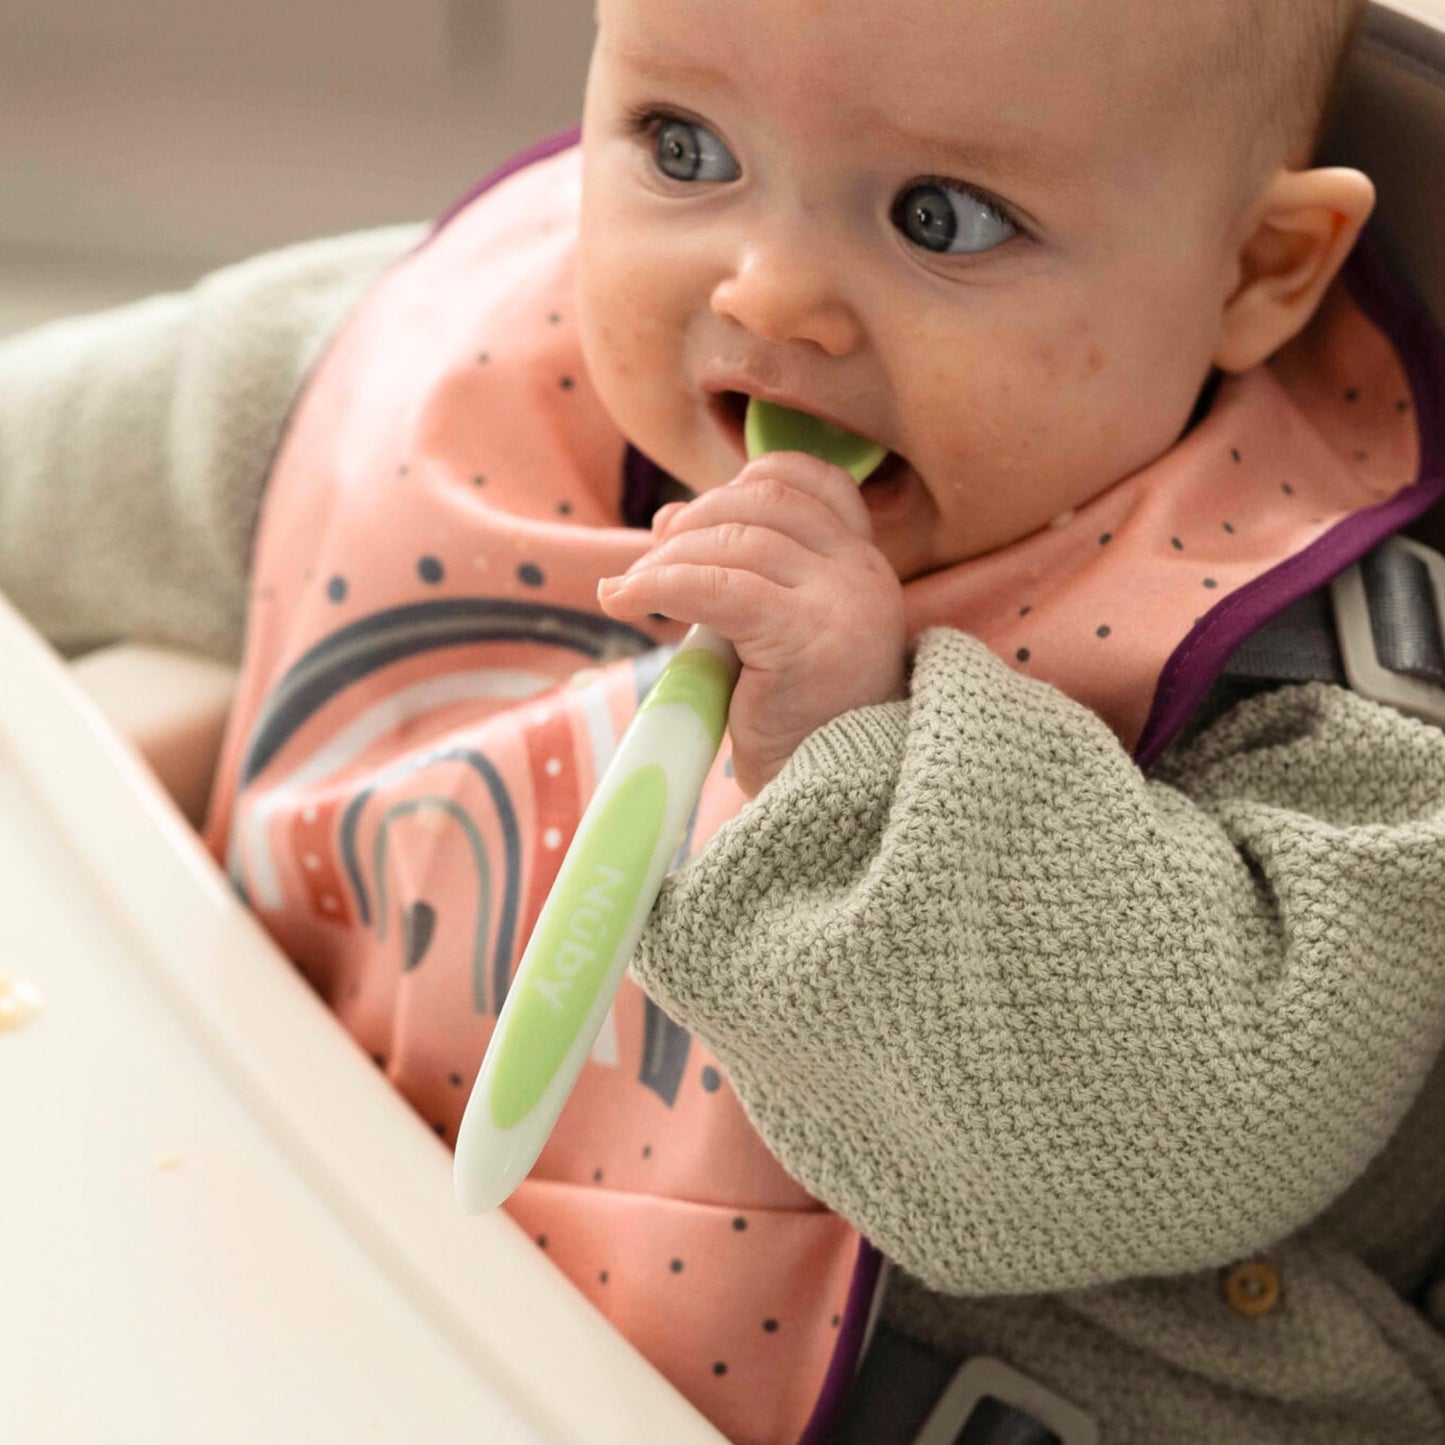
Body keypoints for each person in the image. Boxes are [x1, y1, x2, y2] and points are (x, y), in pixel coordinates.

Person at [5, 0, 1445, 1440]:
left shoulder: (1318, 676)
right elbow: (47, 458)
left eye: (939, 218)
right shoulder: (446, 376)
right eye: (682, 147)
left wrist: (851, 754)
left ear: (1258, 269)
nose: (765, 293)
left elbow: (1167, 1144)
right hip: (263, 1248)